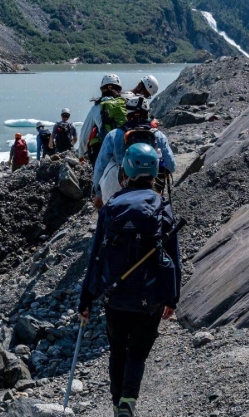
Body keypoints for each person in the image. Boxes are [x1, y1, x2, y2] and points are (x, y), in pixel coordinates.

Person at [79, 143, 183, 417]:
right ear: (155, 172)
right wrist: (172, 297)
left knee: (117, 351)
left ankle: (117, 406)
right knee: (137, 353)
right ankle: (128, 400)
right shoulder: (162, 207)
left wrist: (86, 298)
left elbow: (96, 257)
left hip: (115, 296)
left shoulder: (111, 206)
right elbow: (174, 257)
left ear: (126, 170)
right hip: (150, 298)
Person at [92, 96, 176, 210]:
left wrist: (98, 194)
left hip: (119, 186)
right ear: (147, 114)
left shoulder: (113, 135)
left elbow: (100, 167)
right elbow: (171, 166)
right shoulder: (158, 136)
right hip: (151, 187)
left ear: (127, 115)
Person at [78, 74, 125, 167]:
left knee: (98, 179)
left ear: (102, 90)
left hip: (106, 149)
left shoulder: (96, 108)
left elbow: (84, 133)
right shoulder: (125, 104)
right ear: (119, 90)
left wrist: (81, 154)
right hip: (125, 147)